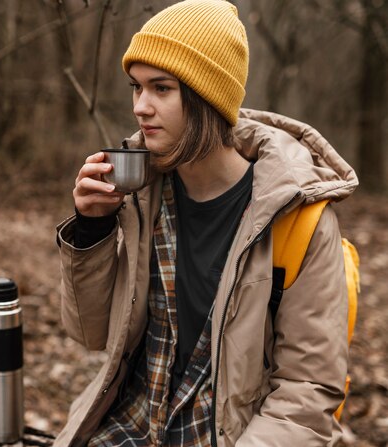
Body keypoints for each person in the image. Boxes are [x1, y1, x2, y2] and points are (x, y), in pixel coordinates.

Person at [55, 0, 358, 446]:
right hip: (129, 427)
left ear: (208, 97)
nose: (140, 106)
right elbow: (89, 332)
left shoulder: (301, 219)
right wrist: (93, 229)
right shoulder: (142, 193)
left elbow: (307, 395)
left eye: (161, 88)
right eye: (135, 88)